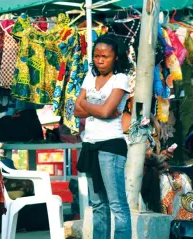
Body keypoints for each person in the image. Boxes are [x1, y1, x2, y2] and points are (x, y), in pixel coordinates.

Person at [75, 33, 132, 239]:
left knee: (117, 204)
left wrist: (88, 105)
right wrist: (99, 108)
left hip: (111, 147)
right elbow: (76, 110)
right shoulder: (90, 77)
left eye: (105, 56)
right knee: (98, 204)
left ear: (116, 57)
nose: (100, 60)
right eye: (97, 56)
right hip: (89, 145)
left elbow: (106, 112)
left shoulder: (121, 78)